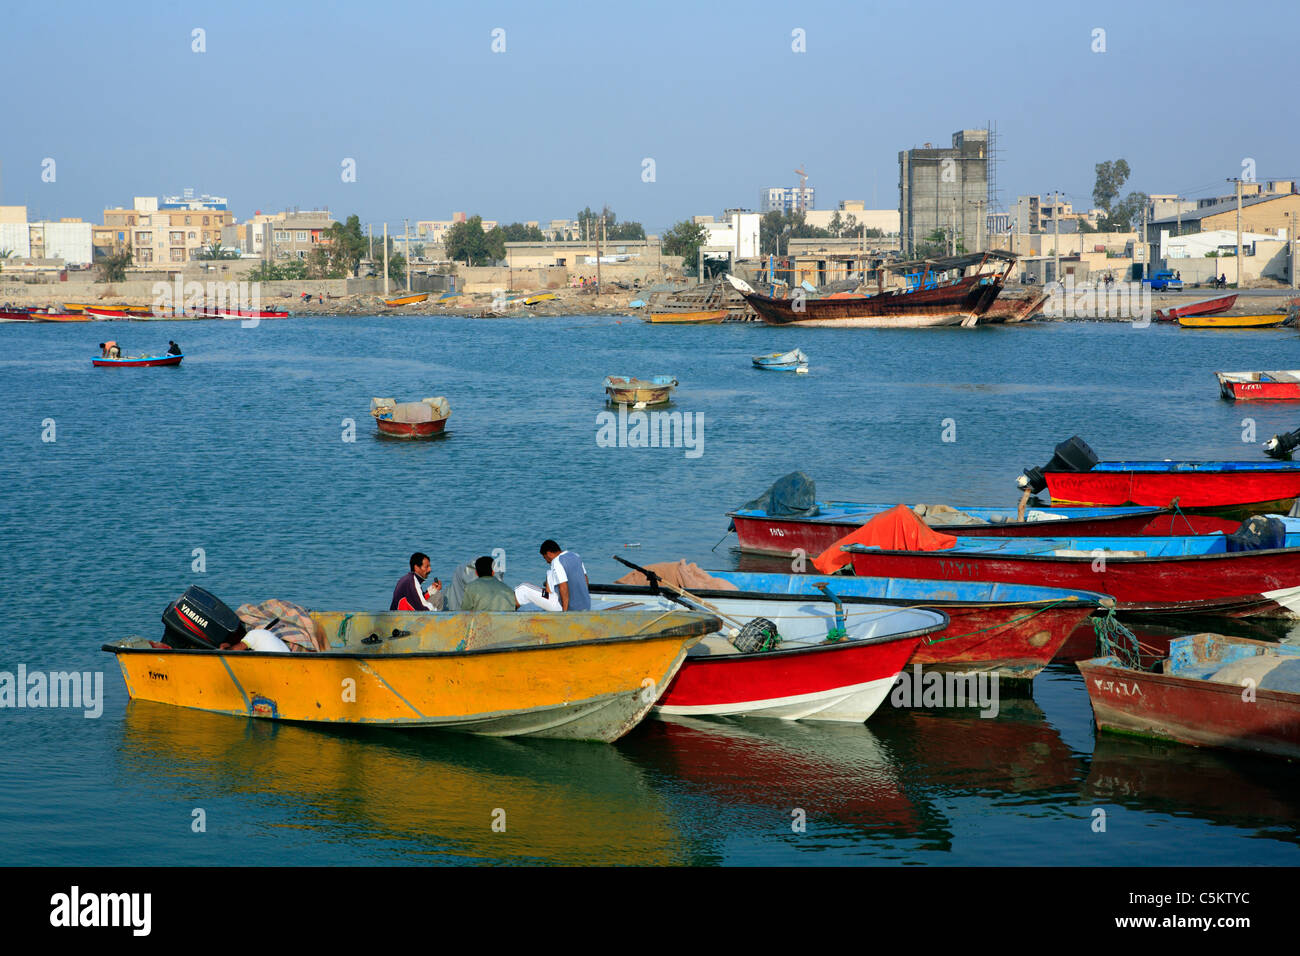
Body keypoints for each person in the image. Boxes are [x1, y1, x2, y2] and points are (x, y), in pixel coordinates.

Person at [539, 539, 590, 611]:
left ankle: (546, 598)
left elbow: (563, 587)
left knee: (523, 588)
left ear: (549, 554)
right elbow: (585, 579)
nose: (547, 562)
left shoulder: (556, 561)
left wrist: (565, 613)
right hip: (586, 605)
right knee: (551, 573)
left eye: (545, 558)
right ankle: (547, 597)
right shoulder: (576, 556)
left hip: (569, 608)